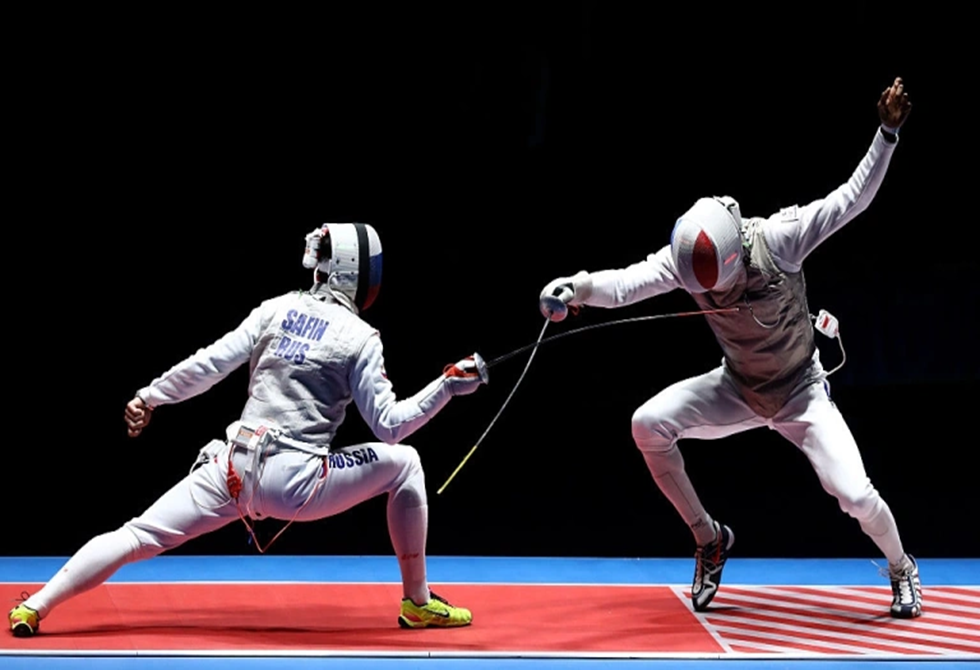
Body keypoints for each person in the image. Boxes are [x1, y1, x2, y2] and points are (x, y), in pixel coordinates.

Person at [538, 77, 921, 618]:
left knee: (855, 495)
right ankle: (709, 537)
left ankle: (902, 567)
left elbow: (851, 200)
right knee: (648, 425)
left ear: (735, 256)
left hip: (801, 392)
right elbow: (623, 285)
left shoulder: (780, 240)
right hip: (738, 387)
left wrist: (886, 133)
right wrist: (575, 288)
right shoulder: (685, 260)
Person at [9, 223, 488, 637]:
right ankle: (418, 602)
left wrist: (149, 396)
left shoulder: (274, 310)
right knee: (406, 463)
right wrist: (446, 387)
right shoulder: (361, 338)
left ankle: (36, 605)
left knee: (136, 535)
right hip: (298, 484)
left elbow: (210, 364)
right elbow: (391, 427)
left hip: (232, 471)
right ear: (356, 272)